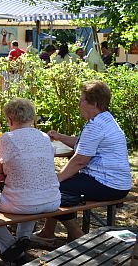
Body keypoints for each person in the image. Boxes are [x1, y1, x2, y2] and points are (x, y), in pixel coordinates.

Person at [32, 81, 131, 245]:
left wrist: (56, 179)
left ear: (95, 103)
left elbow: (79, 161)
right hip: (117, 182)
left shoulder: (96, 125)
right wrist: (60, 136)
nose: (79, 104)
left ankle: (79, 237)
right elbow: (82, 143)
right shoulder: (104, 119)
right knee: (59, 187)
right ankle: (47, 233)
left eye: (82, 100)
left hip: (108, 184)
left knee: (52, 190)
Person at [0, 98, 60, 264]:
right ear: (31, 118)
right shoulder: (43, 137)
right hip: (52, 199)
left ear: (10, 119)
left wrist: (4, 173)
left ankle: (11, 249)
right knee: (30, 191)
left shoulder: (7, 138)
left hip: (23, 202)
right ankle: (23, 239)